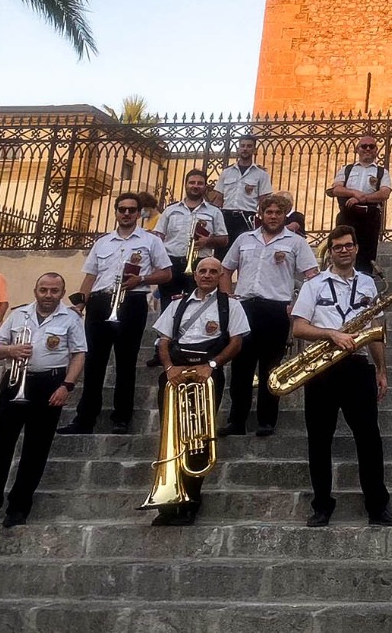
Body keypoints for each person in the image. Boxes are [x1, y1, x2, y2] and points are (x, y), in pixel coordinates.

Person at [290, 226, 392, 527]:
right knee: (320, 441)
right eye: (338, 247)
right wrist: (332, 334)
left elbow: (375, 331)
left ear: (356, 248)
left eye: (349, 245)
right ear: (330, 251)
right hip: (322, 368)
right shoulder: (314, 285)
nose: (344, 250)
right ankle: (322, 505)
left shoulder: (367, 284)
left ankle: (378, 506)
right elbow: (298, 327)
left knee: (369, 439)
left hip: (358, 366)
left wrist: (381, 369)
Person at [0, 273, 86, 530]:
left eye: (54, 290)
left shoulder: (71, 319)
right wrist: (10, 351)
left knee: (35, 450)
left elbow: (79, 353)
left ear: (62, 293)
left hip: (50, 384)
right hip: (15, 383)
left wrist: (67, 386)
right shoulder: (18, 315)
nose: (48, 295)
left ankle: (18, 508)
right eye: (43, 290)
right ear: (35, 290)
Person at [149, 255, 248, 525]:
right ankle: (167, 502)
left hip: (206, 373)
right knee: (171, 433)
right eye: (202, 270)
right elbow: (164, 341)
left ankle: (191, 499)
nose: (206, 275)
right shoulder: (177, 304)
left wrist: (212, 365)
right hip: (175, 374)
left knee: (199, 436)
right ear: (196, 275)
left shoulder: (231, 306)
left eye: (213, 271)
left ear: (220, 276)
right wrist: (169, 369)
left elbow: (237, 342)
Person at [62, 194, 172, 435]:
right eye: (122, 209)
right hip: (101, 303)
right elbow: (90, 276)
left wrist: (141, 279)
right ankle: (85, 418)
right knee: (94, 362)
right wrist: (80, 304)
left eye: (131, 210)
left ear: (138, 213)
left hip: (132, 302)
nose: (126, 213)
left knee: (126, 362)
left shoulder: (150, 241)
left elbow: (166, 274)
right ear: (116, 212)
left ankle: (121, 418)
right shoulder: (102, 242)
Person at [221, 192, 318, 437]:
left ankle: (266, 420)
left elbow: (312, 276)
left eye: (278, 212)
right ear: (261, 215)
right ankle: (237, 421)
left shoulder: (296, 242)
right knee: (241, 368)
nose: (273, 216)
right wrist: (227, 298)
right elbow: (225, 269)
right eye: (269, 212)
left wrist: (298, 305)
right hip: (244, 308)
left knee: (270, 368)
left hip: (276, 310)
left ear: (285, 215)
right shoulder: (244, 239)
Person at [154, 170, 226, 306]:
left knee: (196, 304)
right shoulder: (170, 210)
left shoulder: (214, 212)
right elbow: (158, 237)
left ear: (205, 187)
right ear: (186, 185)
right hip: (171, 262)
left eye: (200, 183)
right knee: (168, 304)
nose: (195, 186)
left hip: (200, 264)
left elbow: (224, 239)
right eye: (192, 182)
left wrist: (208, 241)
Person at [328, 133, 392, 277]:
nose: (368, 149)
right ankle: (339, 278)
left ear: (376, 150)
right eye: (364, 146)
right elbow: (337, 189)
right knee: (342, 248)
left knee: (367, 254)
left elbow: (384, 193)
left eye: (372, 146)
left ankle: (363, 287)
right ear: (357, 149)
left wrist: (362, 198)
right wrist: (354, 193)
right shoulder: (346, 169)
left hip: (369, 217)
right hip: (347, 215)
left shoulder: (382, 172)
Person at [214, 134, 272, 252]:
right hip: (226, 218)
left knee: (245, 253)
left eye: (249, 146)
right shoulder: (226, 172)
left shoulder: (261, 174)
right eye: (242, 146)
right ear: (238, 149)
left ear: (254, 150)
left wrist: (263, 225)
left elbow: (264, 202)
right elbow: (218, 198)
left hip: (246, 219)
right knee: (222, 253)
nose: (245, 148)